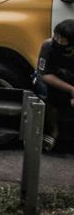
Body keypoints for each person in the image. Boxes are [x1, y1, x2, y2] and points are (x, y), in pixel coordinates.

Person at [37, 19, 74, 151]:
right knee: (40, 86)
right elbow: (43, 74)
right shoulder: (48, 46)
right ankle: (52, 130)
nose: (57, 40)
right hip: (55, 82)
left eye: (61, 39)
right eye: (56, 35)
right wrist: (71, 89)